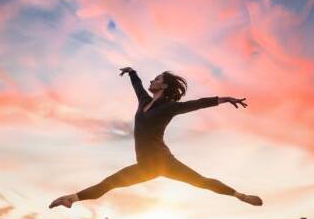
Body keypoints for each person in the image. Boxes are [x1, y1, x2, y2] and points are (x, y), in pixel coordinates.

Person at [49, 67, 263, 208]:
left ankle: (239, 195)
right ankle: (72, 198)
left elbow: (197, 103)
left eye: (157, 78)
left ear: (165, 85)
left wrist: (225, 99)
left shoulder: (169, 107)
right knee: (110, 183)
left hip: (164, 162)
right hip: (145, 167)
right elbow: (138, 85)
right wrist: (132, 72)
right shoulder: (144, 102)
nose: (153, 80)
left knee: (201, 182)